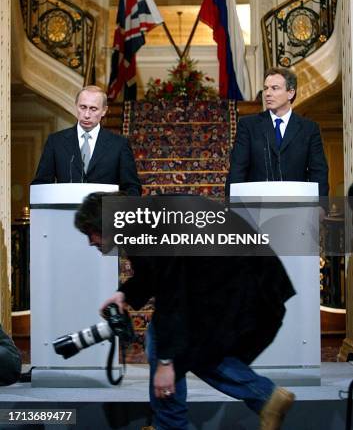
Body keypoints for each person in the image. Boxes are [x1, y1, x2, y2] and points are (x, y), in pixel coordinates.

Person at [75, 192, 296, 430]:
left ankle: (175, 423)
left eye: (91, 233)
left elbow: (173, 295)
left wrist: (167, 363)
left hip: (243, 286)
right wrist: (124, 294)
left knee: (177, 347)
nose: (90, 241)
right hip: (234, 280)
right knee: (177, 345)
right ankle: (263, 398)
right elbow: (157, 275)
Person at [225, 67, 329, 197]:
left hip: (297, 205)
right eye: (266, 88)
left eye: (274, 88)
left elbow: (318, 172)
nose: (267, 93)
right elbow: (237, 170)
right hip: (256, 207)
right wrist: (233, 205)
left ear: (290, 93)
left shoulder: (309, 129)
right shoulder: (248, 126)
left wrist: (321, 206)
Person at [32, 85, 141, 195]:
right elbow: (41, 185)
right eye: (83, 107)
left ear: (104, 111)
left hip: (106, 210)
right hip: (67, 211)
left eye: (93, 109)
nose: (87, 115)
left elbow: (132, 188)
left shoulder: (119, 144)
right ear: (76, 106)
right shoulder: (55, 141)